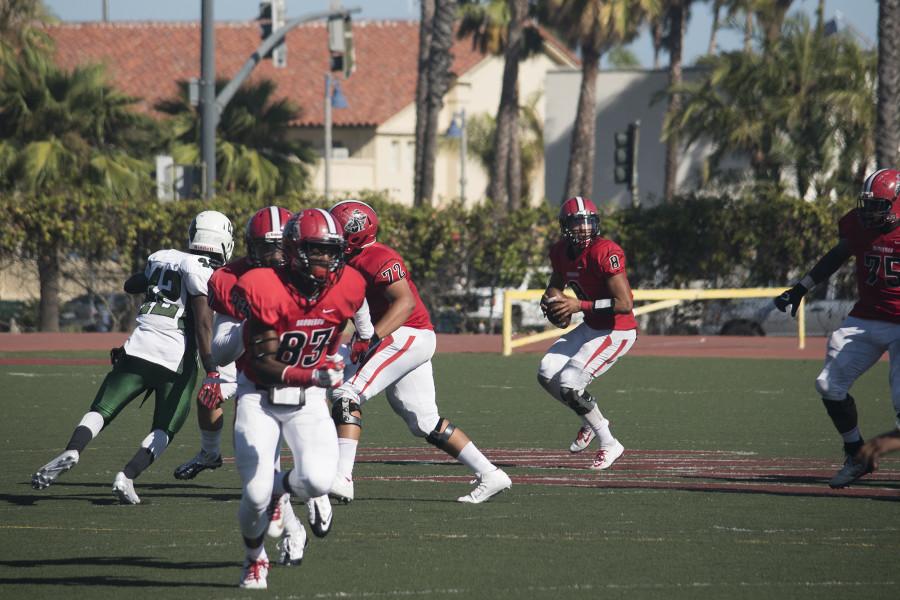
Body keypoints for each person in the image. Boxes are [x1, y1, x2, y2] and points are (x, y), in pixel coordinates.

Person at [31, 210, 234, 504]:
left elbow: (130, 285)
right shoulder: (207, 271)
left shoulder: (162, 257)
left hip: (137, 347)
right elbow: (203, 322)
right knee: (165, 427)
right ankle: (127, 476)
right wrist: (211, 367)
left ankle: (74, 449)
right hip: (175, 358)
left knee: (102, 409)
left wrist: (156, 280)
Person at [326, 199, 511, 505]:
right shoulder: (344, 261)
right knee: (424, 422)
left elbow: (405, 302)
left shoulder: (380, 257)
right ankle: (490, 474)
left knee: (347, 395)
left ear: (357, 233)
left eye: (338, 231)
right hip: (397, 337)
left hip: (408, 334)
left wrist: (371, 338)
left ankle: (343, 478)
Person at [173, 206, 332, 548]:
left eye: (279, 246)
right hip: (256, 377)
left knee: (313, 466)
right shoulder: (233, 278)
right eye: (264, 247)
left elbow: (347, 304)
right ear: (248, 246)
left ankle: (313, 493)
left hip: (303, 376)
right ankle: (284, 540)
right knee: (262, 473)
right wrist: (255, 320)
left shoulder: (315, 271)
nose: (273, 256)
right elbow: (222, 349)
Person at [231, 208, 370, 589]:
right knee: (255, 493)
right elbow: (263, 363)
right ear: (293, 250)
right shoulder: (263, 285)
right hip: (259, 396)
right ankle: (254, 558)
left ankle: (281, 490)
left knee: (319, 480)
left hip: (306, 399)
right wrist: (313, 373)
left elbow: (332, 329)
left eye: (331, 250)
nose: (326, 259)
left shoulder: (349, 285)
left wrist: (326, 364)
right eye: (316, 250)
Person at [774, 168, 900, 488]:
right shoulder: (858, 223)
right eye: (867, 204)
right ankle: (856, 453)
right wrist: (802, 287)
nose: (870, 213)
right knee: (828, 384)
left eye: (879, 206)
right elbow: (839, 254)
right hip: (868, 316)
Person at [537, 196, 638, 470]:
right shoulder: (560, 252)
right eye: (577, 224)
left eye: (587, 223)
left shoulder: (606, 251)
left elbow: (625, 303)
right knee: (547, 372)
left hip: (617, 330)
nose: (583, 229)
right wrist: (551, 302)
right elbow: (555, 286)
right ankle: (589, 421)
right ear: (565, 227)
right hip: (593, 325)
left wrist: (578, 305)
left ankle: (609, 442)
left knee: (570, 383)